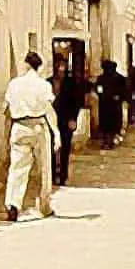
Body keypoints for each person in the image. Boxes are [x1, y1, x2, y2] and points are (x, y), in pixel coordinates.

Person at [3, 51, 61, 221]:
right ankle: (44, 205)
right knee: (44, 168)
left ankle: (13, 203)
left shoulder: (14, 84)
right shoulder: (43, 85)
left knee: (17, 167)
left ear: (26, 64)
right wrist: (56, 133)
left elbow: (6, 109)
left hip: (19, 126)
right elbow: (49, 111)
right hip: (38, 126)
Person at [48, 56, 85, 186]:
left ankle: (63, 176)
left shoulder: (71, 83)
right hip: (50, 121)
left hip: (66, 120)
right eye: (59, 65)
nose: (61, 68)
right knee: (50, 149)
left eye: (63, 65)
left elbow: (76, 102)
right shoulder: (48, 82)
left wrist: (73, 119)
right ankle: (52, 176)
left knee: (65, 149)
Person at [94, 60, 127, 150]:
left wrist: (118, 97)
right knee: (107, 125)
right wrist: (102, 94)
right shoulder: (101, 78)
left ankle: (110, 141)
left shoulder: (119, 78)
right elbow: (98, 88)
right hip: (105, 104)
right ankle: (107, 141)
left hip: (113, 105)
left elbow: (124, 91)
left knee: (112, 124)